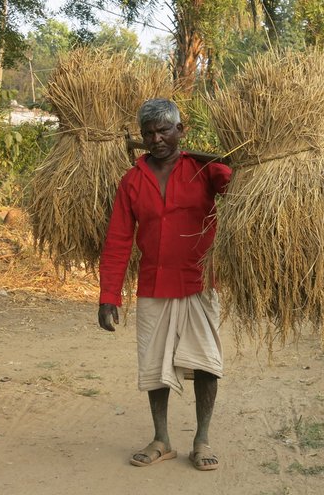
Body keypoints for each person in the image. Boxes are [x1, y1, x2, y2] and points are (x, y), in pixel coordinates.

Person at [98, 98, 231, 471]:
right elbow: (119, 240)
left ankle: (202, 440)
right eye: (149, 133)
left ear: (180, 131)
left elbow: (239, 187)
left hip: (200, 282)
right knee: (155, 365)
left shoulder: (205, 170)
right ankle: (162, 439)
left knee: (207, 363)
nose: (156, 139)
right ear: (142, 137)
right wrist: (108, 296)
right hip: (154, 285)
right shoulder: (132, 181)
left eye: (163, 131)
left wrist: (238, 165)